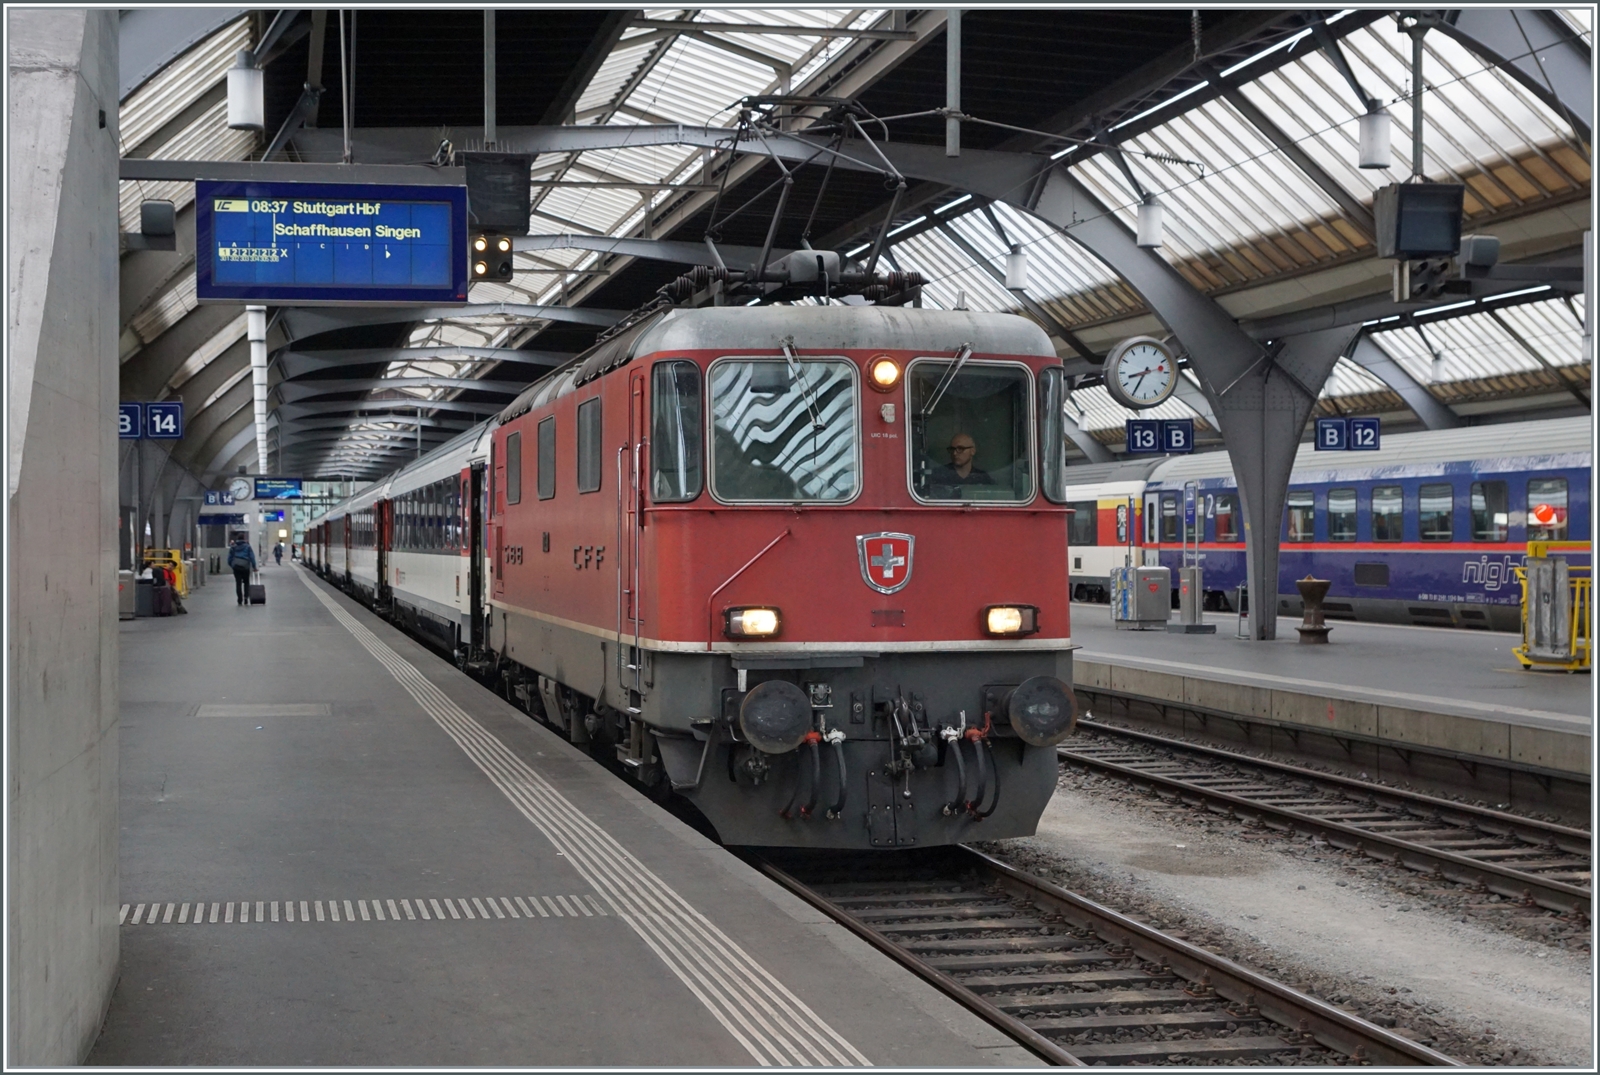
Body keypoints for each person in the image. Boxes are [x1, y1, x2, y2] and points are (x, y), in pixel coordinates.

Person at [929, 433, 993, 489]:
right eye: (952, 449)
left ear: (972, 451)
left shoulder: (982, 478)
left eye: (960, 449)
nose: (954, 453)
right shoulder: (939, 475)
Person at [227, 533, 257, 605]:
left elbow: (229, 559)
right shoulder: (248, 547)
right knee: (246, 582)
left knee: (238, 583)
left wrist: (232, 565)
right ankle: (246, 597)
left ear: (237, 539)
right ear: (244, 539)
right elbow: (252, 557)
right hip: (245, 567)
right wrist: (254, 566)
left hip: (236, 567)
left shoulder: (233, 547)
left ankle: (239, 599)